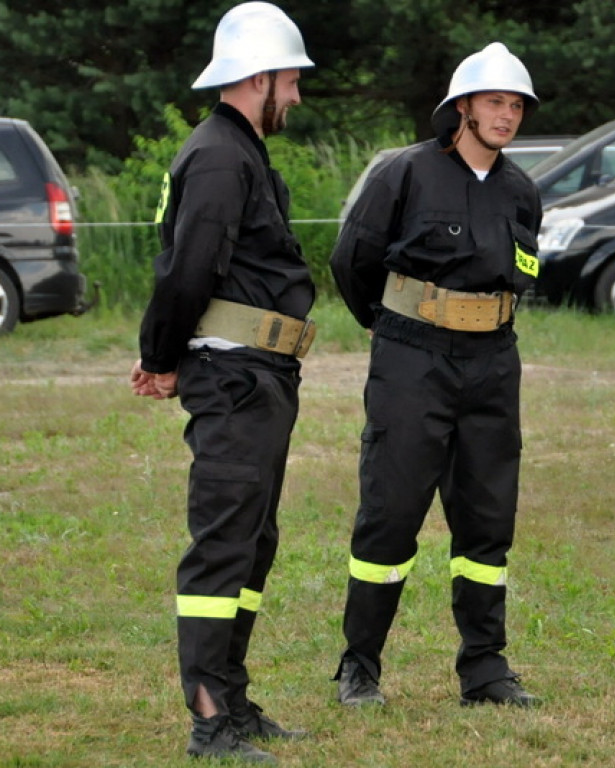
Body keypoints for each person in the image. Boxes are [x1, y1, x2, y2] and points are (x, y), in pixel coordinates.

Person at [329, 42, 543, 709]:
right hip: (412, 359)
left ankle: (485, 671)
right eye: (494, 102)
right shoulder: (405, 173)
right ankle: (359, 668)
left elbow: (524, 274)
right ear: (461, 107)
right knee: (391, 513)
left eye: (516, 106)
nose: (506, 116)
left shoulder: (522, 191)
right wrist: (389, 324)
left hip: (492, 364)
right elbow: (351, 259)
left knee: (486, 518)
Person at [129, 2, 315, 761]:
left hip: (261, 375)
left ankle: (232, 698)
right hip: (232, 377)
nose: (298, 96)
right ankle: (210, 716)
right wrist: (161, 355)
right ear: (259, 76)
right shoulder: (217, 155)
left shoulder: (242, 151)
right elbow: (189, 266)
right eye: (292, 80)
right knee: (222, 545)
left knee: (251, 543)